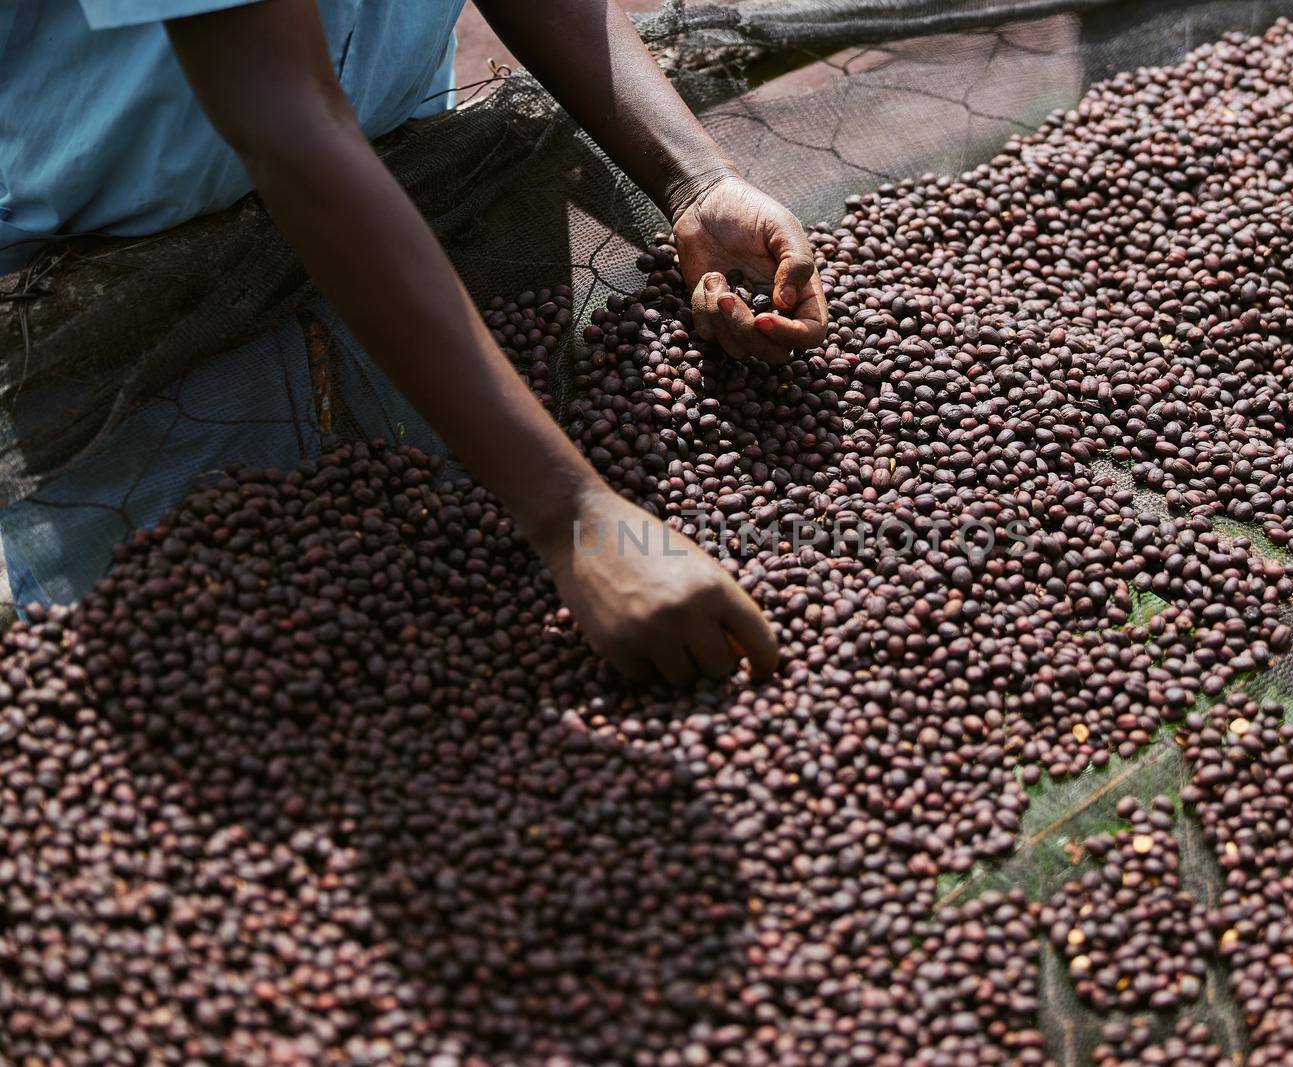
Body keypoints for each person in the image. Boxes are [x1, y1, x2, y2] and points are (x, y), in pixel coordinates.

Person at [0, 0, 830, 684]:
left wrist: (696, 180)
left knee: (445, 609)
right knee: (210, 670)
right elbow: (288, 125)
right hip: (111, 305)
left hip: (403, 209)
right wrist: (573, 514)